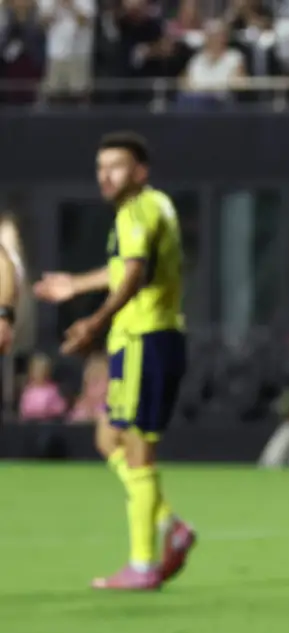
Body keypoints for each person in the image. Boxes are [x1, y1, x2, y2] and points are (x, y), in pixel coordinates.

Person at [33, 132, 195, 591]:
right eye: (101, 167)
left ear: (140, 171)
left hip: (145, 337)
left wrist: (94, 321)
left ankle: (142, 565)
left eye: (117, 166)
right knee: (108, 439)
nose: (106, 176)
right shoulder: (155, 206)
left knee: (139, 447)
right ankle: (170, 524)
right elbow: (126, 266)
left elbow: (134, 274)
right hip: (141, 338)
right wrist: (76, 284)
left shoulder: (136, 212)